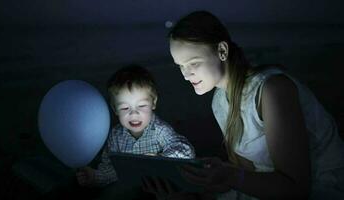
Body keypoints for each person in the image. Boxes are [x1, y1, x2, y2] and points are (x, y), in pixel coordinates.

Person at [145, 10, 344, 200]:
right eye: (180, 66)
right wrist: (201, 181)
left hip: (322, 187)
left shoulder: (271, 89)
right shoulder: (219, 102)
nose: (185, 75)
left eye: (193, 63)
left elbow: (296, 188)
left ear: (222, 51)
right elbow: (245, 172)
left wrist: (229, 176)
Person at [75, 64, 195, 199]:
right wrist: (95, 176)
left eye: (142, 106)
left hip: (158, 188)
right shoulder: (115, 136)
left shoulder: (160, 129)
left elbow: (186, 151)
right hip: (129, 190)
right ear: (115, 109)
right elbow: (110, 169)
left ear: (153, 102)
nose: (134, 114)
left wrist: (159, 158)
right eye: (125, 108)